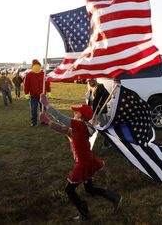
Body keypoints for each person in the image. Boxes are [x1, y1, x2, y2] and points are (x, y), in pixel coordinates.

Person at [39, 93, 121, 221]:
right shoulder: (79, 128)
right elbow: (63, 129)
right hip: (88, 161)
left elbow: (61, 118)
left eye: (76, 112)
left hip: (83, 164)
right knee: (89, 188)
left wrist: (47, 106)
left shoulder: (79, 126)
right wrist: (48, 121)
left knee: (69, 190)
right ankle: (114, 197)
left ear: (82, 115)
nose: (74, 113)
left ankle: (85, 213)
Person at [23, 59, 51, 127]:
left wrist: (49, 91)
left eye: (38, 65)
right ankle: (34, 122)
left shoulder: (43, 74)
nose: (36, 67)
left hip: (42, 95)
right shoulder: (29, 75)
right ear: (32, 66)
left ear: (40, 66)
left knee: (43, 109)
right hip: (33, 96)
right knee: (33, 109)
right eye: (35, 65)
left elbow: (47, 83)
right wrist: (26, 93)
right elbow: (26, 85)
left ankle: (43, 120)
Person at [86, 78, 112, 149]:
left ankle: (108, 143)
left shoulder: (100, 87)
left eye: (91, 80)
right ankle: (85, 143)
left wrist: (101, 104)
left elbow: (108, 96)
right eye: (88, 81)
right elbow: (90, 102)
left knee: (104, 128)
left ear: (94, 80)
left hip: (100, 113)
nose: (90, 82)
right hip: (92, 113)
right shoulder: (89, 89)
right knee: (91, 128)